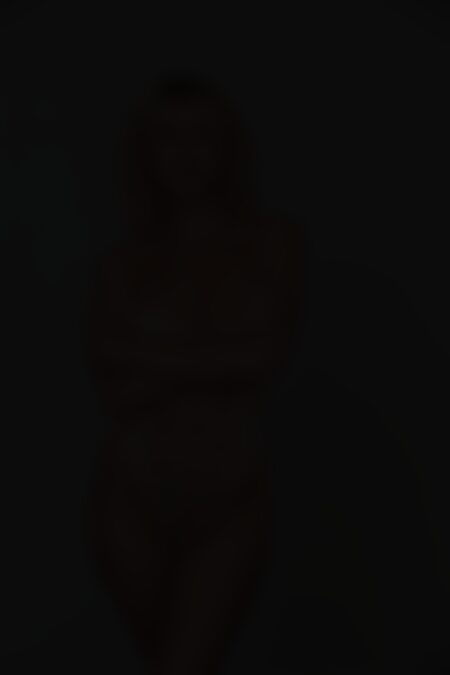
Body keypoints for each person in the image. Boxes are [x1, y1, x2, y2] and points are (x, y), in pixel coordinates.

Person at [81, 71, 306, 675]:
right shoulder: (124, 263)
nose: (187, 155)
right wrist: (221, 359)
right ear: (146, 153)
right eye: (168, 138)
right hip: (131, 496)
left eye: (203, 135)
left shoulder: (271, 243)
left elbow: (267, 357)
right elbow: (116, 393)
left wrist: (146, 358)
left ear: (228, 146)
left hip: (229, 496)